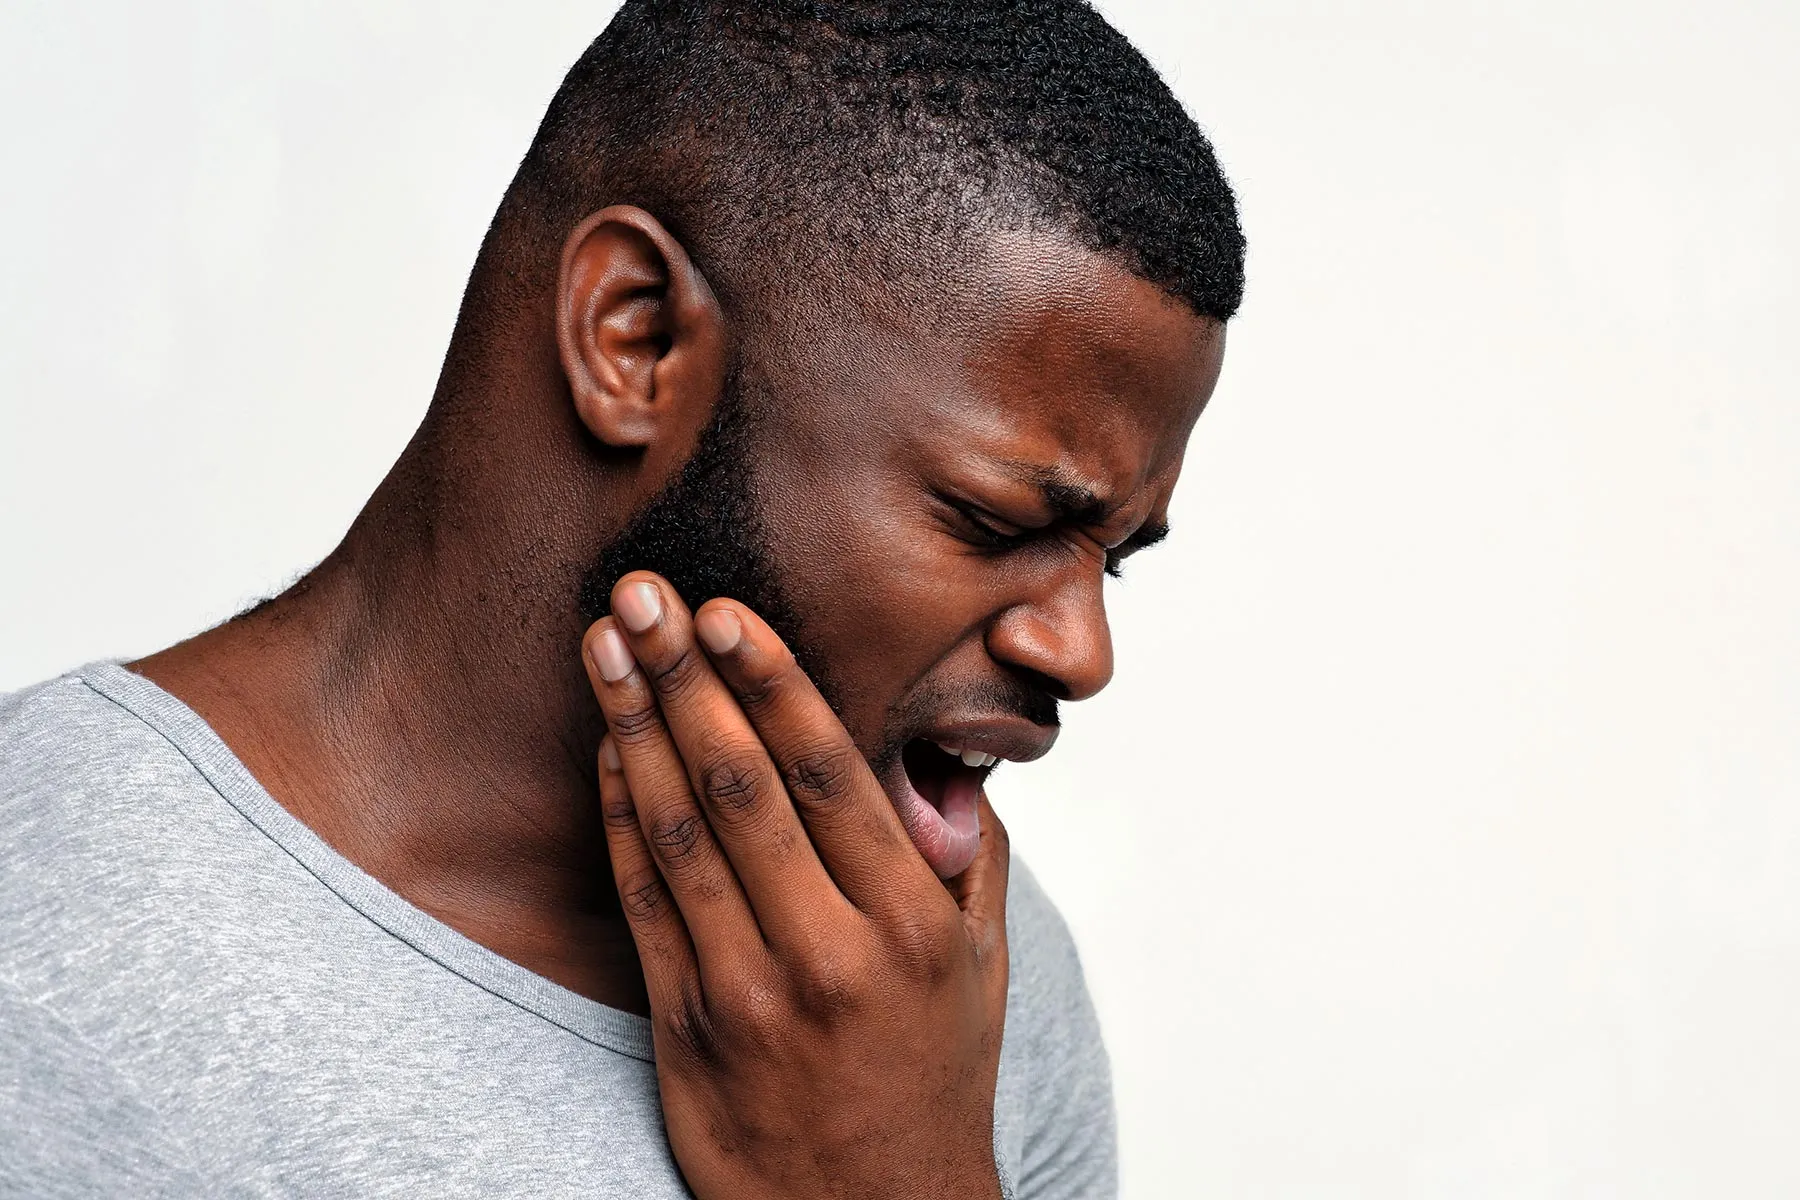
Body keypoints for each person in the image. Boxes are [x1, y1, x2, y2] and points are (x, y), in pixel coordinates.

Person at [0, 1, 1244, 1195]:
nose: (1082, 651)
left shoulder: (944, 987)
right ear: (633, 338)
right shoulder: (50, 975)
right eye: (999, 522)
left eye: (1115, 556)